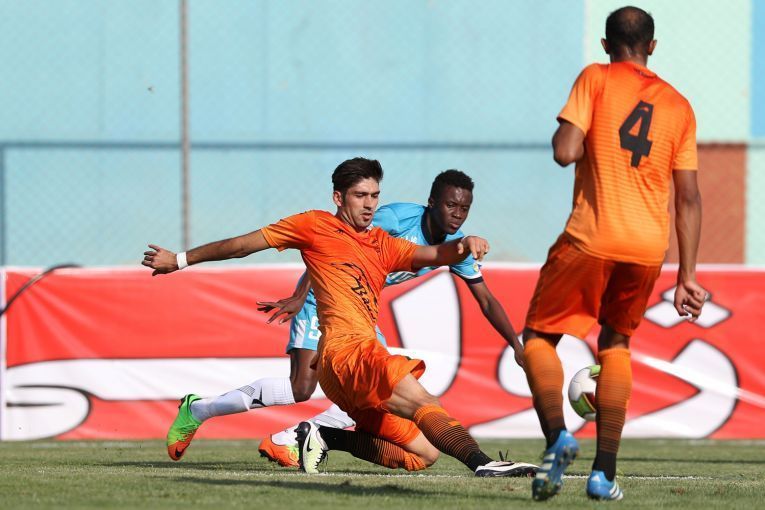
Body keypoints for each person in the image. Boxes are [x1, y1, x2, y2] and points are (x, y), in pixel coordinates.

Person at [144, 157, 534, 477]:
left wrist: (464, 246)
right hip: (342, 343)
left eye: (375, 196)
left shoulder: (383, 244)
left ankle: (322, 436)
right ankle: (483, 463)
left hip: (356, 347)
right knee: (408, 397)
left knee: (423, 454)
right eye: (361, 195)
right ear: (338, 197)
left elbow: (435, 256)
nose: (369, 205)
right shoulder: (320, 225)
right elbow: (242, 245)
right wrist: (180, 259)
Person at [521, 6, 706, 501]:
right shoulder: (679, 105)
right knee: (616, 344)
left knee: (538, 336)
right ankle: (603, 474)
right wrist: (687, 275)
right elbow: (689, 197)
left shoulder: (596, 78)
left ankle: (558, 436)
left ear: (606, 45)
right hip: (647, 249)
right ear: (653, 46)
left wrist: (580, 135)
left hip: (592, 237)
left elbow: (565, 151)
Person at [253, 170, 526, 468]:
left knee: (417, 447)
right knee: (304, 387)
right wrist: (299, 294)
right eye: (451, 205)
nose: (457, 214)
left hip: (360, 313)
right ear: (431, 202)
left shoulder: (455, 247)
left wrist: (516, 345)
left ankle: (320, 436)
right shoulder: (397, 219)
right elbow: (334, 243)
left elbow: (486, 300)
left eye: (464, 208)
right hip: (321, 299)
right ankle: (254, 425)